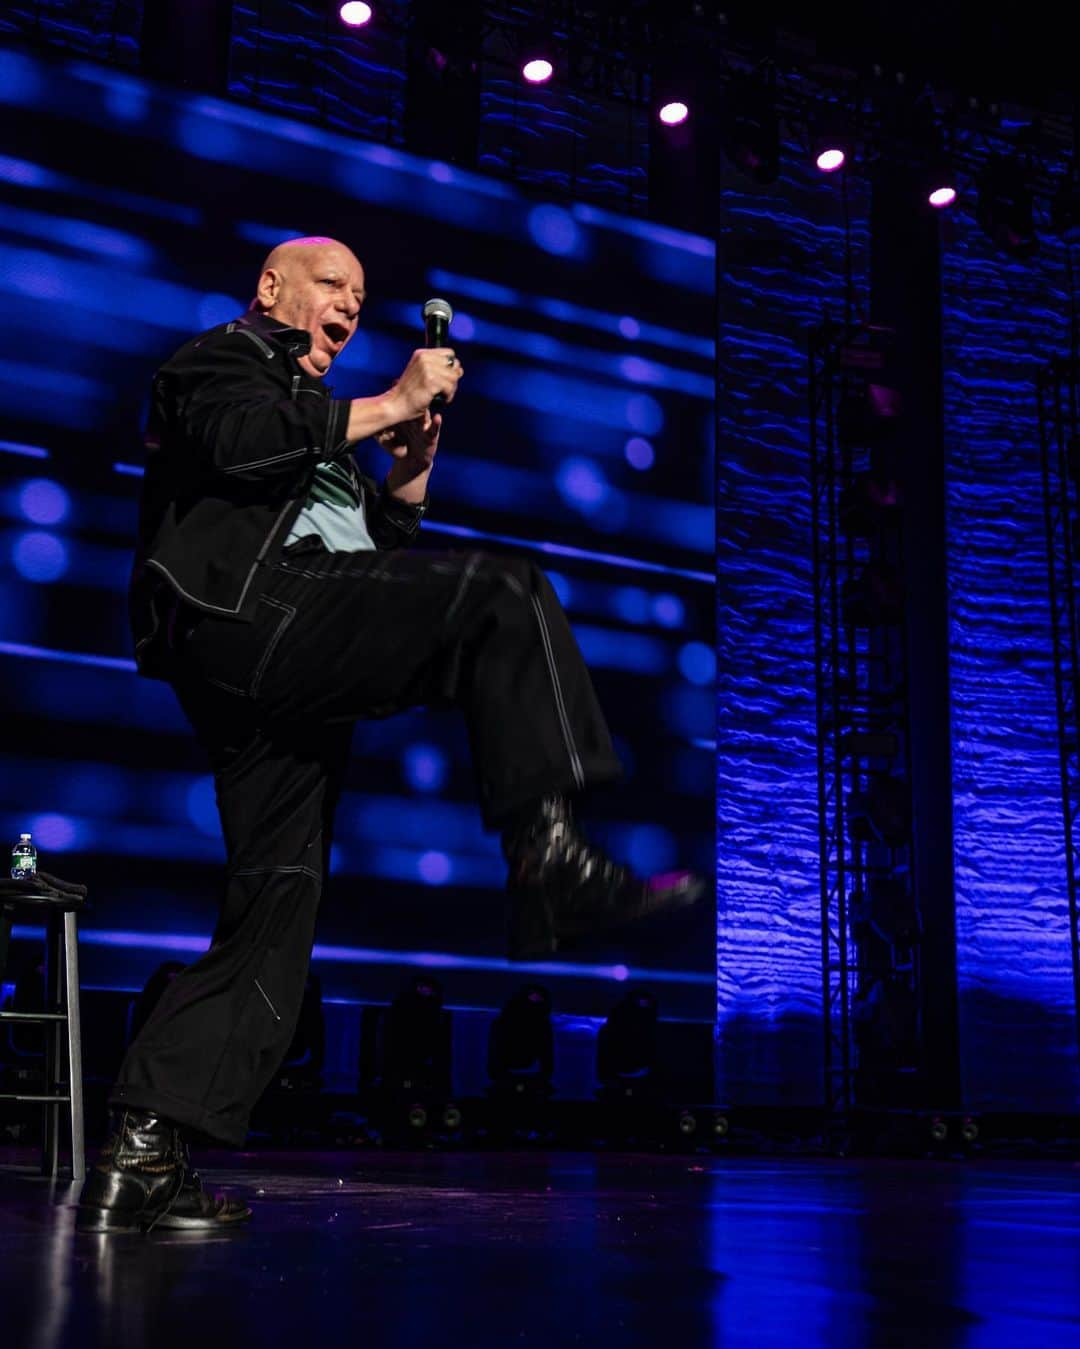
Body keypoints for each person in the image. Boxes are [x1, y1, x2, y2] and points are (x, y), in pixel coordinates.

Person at [76, 237, 703, 1232]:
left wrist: (408, 476)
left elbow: (375, 558)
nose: (348, 310)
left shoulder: (321, 431)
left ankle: (144, 1149)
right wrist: (393, 404)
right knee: (504, 591)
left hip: (296, 658)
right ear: (271, 288)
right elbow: (246, 444)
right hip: (249, 621)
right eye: (332, 287)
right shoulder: (220, 361)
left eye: (360, 301)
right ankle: (547, 854)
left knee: (274, 912)